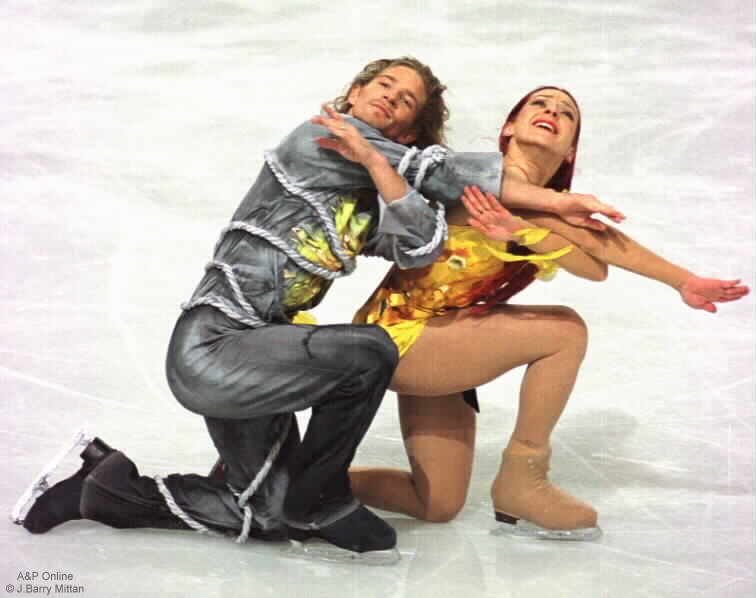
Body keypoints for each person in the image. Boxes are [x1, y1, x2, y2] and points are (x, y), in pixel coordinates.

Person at [13, 63, 623, 561]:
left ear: (408, 130)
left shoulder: (366, 189)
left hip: (262, 354)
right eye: (383, 85)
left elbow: (420, 244)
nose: (390, 98)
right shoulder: (316, 138)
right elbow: (435, 172)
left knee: (264, 515)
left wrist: (381, 168)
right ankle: (322, 498)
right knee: (369, 352)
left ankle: (101, 488)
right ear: (352, 94)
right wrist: (557, 202)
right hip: (214, 345)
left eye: (406, 102)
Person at [349, 86, 749, 541]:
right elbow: (588, 252)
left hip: (436, 339)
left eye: (566, 114)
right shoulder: (476, 179)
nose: (552, 112)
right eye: (539, 104)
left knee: (436, 502)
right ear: (509, 127)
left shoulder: (541, 207)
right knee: (564, 330)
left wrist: (684, 281)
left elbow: (594, 264)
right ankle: (523, 478)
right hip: (398, 336)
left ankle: (310, 477)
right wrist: (678, 279)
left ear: (570, 148)